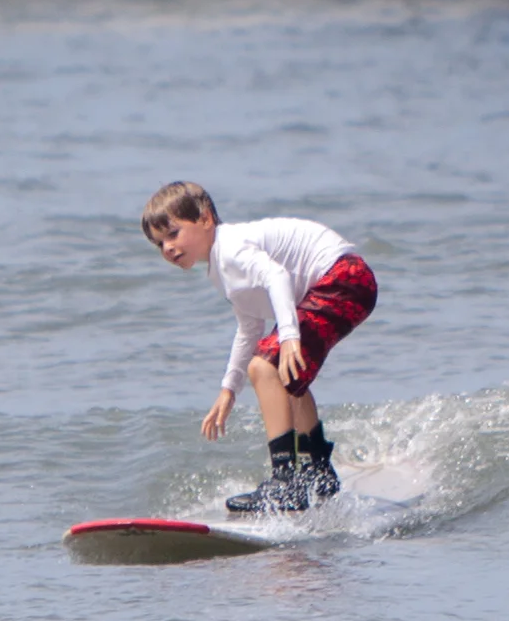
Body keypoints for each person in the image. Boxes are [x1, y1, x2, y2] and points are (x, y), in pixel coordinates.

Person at [140, 181, 378, 513]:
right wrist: (229, 389)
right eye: (159, 243)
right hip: (347, 280)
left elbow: (276, 276)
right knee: (285, 372)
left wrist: (289, 335)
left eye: (173, 234)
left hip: (342, 278)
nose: (167, 248)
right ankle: (319, 472)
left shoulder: (231, 247)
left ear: (205, 219)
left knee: (264, 366)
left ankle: (285, 482)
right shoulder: (221, 268)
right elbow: (249, 327)